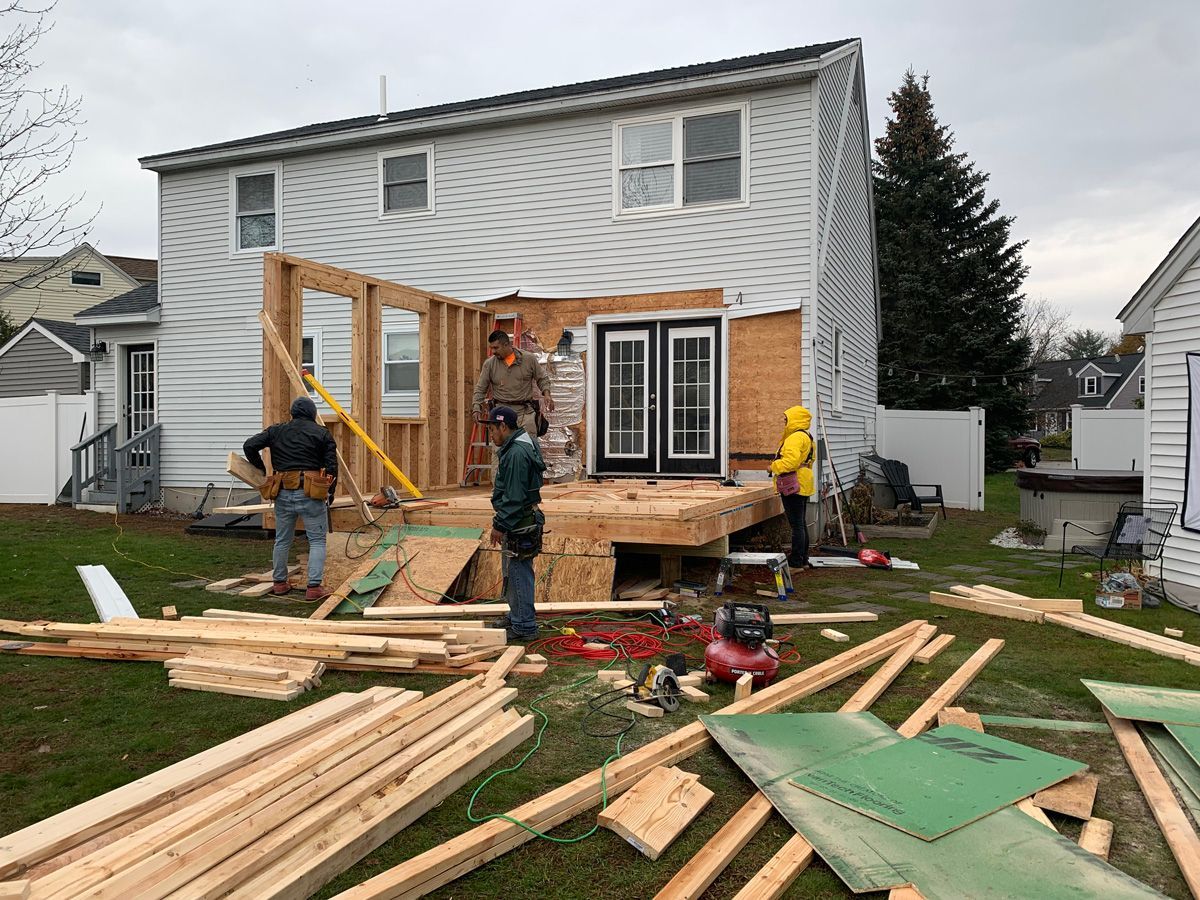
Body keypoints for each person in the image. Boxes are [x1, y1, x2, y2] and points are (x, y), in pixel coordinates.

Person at [244, 396, 338, 601]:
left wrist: (260, 467)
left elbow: (249, 445)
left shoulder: (276, 431)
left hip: (283, 492)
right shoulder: (321, 433)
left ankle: (279, 583)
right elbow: (331, 467)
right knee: (317, 541)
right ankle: (313, 588)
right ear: (313, 414)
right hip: (311, 494)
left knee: (282, 540)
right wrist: (330, 493)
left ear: (293, 413)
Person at [481, 405, 546, 641]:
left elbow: (515, 496)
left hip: (519, 521)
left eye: (492, 429)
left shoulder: (517, 453)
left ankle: (524, 626)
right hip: (520, 520)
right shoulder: (520, 443)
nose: (490, 435)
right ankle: (517, 615)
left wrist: (500, 523)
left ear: (503, 426)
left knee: (519, 572)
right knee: (514, 571)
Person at [472, 329, 554, 439]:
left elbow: (542, 378)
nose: (493, 351)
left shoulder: (528, 359)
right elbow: (480, 388)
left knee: (528, 452)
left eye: (496, 348)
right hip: (501, 418)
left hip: (525, 414)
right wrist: (476, 407)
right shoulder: (490, 364)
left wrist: (547, 394)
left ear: (506, 345)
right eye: (491, 348)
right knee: (501, 454)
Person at [768, 405, 816, 569]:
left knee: (796, 525)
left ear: (795, 419)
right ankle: (803, 558)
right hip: (803, 482)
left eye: (786, 418)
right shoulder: (807, 436)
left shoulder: (795, 438)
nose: (784, 421)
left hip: (793, 484)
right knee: (801, 523)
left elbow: (790, 462)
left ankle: (795, 560)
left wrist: (773, 466)